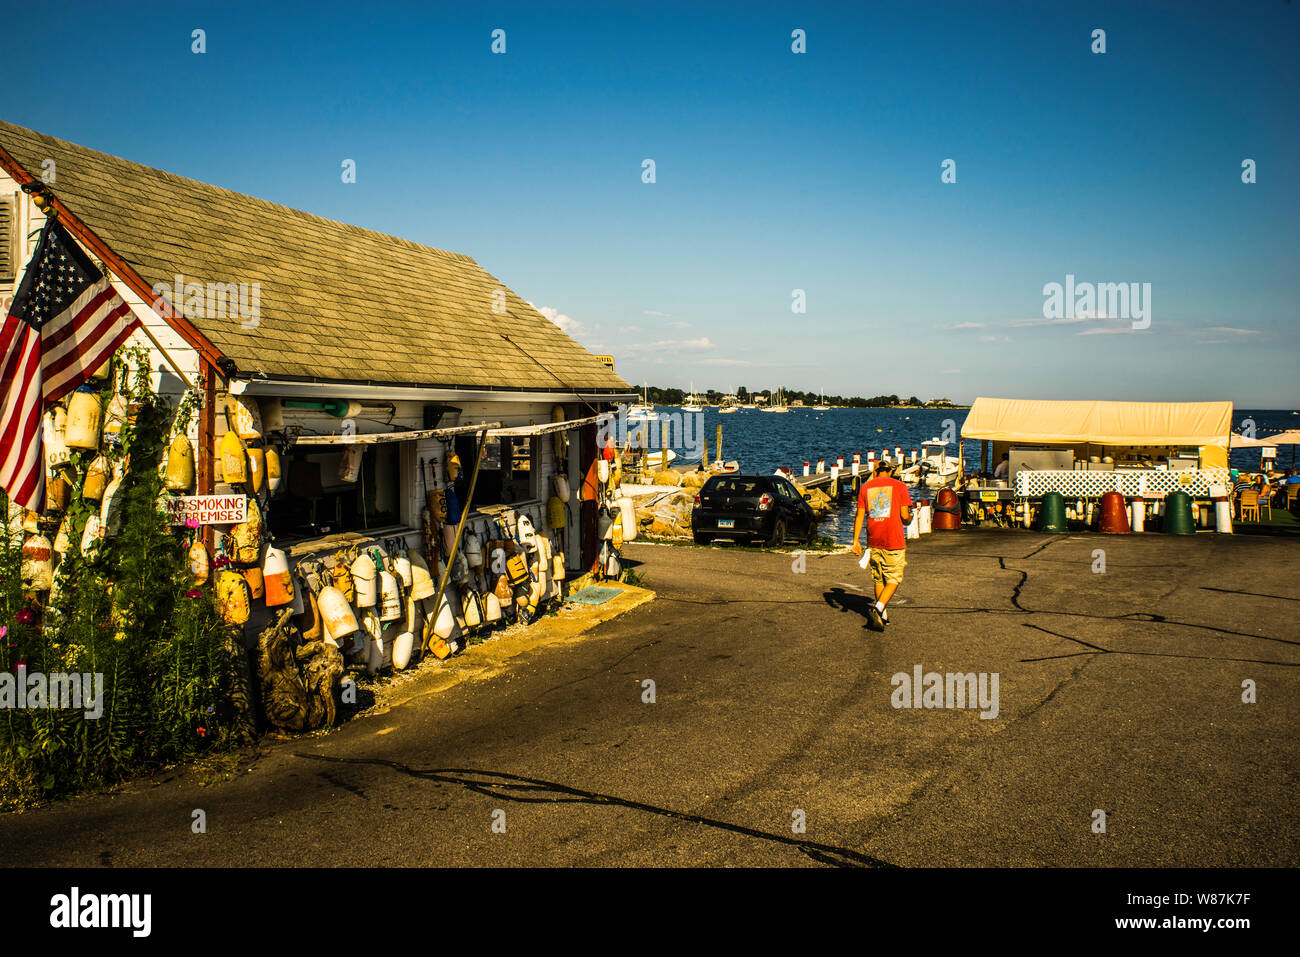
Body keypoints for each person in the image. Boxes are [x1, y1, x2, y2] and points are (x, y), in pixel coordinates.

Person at [852, 460, 912, 632]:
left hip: (873, 540)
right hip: (893, 540)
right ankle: (878, 608)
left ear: (875, 470)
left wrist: (855, 540)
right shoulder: (900, 486)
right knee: (893, 579)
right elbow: (905, 516)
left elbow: (859, 515)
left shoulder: (865, 487)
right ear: (891, 471)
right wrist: (909, 519)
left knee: (879, 579)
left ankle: (882, 616)